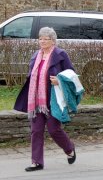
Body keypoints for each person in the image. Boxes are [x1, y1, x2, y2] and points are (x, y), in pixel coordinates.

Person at [14, 27, 77, 172]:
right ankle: (36, 162)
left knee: (54, 130)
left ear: (53, 40)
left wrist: (59, 81)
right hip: (36, 101)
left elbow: (71, 74)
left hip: (53, 99)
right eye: (40, 38)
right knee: (36, 131)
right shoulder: (36, 55)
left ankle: (69, 148)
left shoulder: (60, 54)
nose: (42, 41)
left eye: (45, 39)